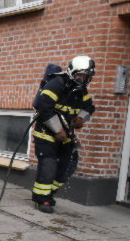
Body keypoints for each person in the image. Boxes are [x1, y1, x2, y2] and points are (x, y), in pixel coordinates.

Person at [31, 56, 96, 213]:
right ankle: (41, 200)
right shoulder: (57, 83)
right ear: (72, 72)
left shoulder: (81, 91)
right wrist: (57, 130)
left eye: (86, 77)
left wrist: (81, 118)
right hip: (46, 134)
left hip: (65, 136)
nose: (82, 79)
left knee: (68, 165)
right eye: (79, 75)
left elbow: (89, 107)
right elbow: (43, 106)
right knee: (49, 165)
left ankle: (48, 193)